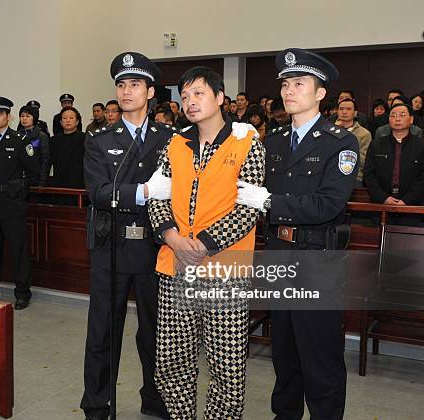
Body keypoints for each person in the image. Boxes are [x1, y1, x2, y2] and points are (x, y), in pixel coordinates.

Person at [237, 48, 359, 420]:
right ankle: (284, 414)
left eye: (299, 83)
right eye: (286, 84)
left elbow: (328, 205)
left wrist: (271, 201)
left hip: (316, 258)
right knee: (285, 350)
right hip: (278, 252)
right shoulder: (272, 141)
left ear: (321, 93)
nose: (289, 91)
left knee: (319, 353)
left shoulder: (340, 142)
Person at [148, 66, 264, 419]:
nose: (190, 101)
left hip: (225, 271)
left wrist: (199, 247)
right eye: (184, 96)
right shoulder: (174, 143)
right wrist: (172, 237)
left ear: (219, 98)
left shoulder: (247, 142)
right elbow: (157, 197)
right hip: (175, 268)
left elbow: (249, 209)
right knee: (170, 362)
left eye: (198, 93)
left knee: (226, 368)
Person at [81, 51, 175, 420]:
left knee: (155, 330)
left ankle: (156, 399)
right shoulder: (100, 139)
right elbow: (98, 192)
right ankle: (97, 403)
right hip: (112, 245)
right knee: (103, 330)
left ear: (150, 92)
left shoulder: (171, 138)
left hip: (156, 245)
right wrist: (146, 192)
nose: (126, 91)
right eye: (121, 84)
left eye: (134, 84)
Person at [0, 96, 39, 310]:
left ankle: (22, 292)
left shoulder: (19, 140)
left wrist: (19, 189)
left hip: (12, 204)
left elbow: (33, 171)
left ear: (8, 116)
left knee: (18, 251)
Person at [363, 103, 424, 213]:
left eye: (402, 115)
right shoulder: (376, 144)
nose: (397, 119)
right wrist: (383, 198)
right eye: (393, 115)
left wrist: (407, 200)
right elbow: (368, 174)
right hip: (381, 205)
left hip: (413, 206)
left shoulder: (421, 145)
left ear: (411, 119)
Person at [335, 98, 372, 184]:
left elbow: (363, 160)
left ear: (355, 113)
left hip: (354, 177)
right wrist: (336, 132)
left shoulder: (364, 134)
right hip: (331, 176)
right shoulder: (329, 131)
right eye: (341, 109)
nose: (344, 112)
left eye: (348, 109)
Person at [50, 106, 86, 189]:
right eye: (65, 118)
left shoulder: (85, 139)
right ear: (61, 122)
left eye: (71, 118)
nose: (68, 120)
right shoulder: (53, 140)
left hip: (79, 183)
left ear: (77, 121)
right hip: (58, 183)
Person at [18, 105, 50, 186]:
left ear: (34, 118)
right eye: (22, 116)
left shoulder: (41, 136)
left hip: (36, 179)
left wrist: (42, 181)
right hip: (18, 180)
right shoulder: (16, 135)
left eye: (28, 116)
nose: (24, 119)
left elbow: (45, 160)